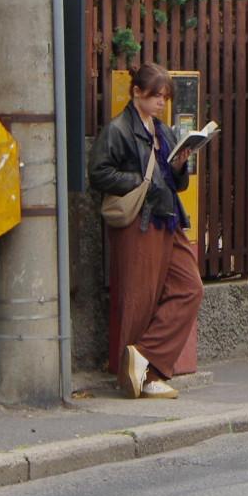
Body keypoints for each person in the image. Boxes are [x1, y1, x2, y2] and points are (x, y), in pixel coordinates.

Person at [88, 62, 204, 399]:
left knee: (190, 288)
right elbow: (98, 173)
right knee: (139, 300)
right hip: (140, 220)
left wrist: (180, 166)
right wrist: (140, 181)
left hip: (167, 217)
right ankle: (143, 378)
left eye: (165, 97)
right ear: (137, 92)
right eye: (156, 96)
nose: (161, 103)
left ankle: (143, 357)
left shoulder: (163, 130)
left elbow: (176, 183)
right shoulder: (119, 129)